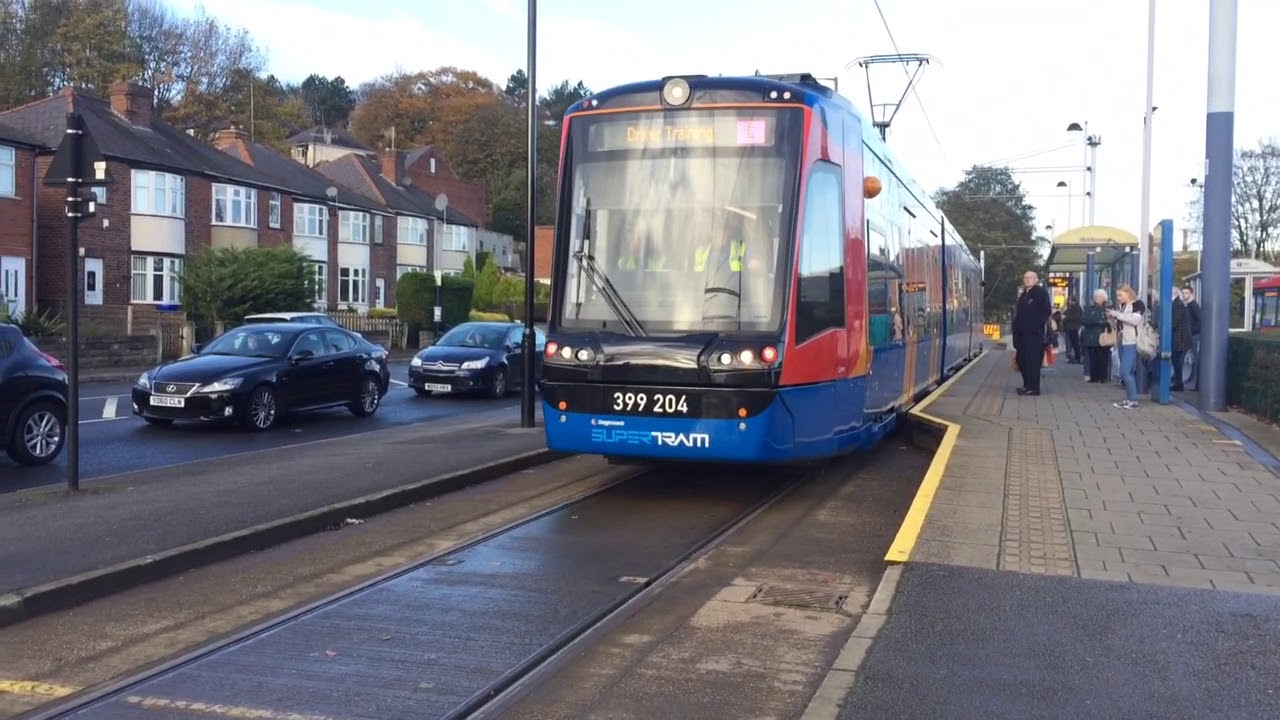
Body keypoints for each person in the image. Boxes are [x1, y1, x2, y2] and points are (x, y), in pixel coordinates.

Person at [1012, 270, 1052, 395]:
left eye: (1030, 278)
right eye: (1025, 278)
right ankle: (1027, 384)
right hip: (1021, 335)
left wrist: (1036, 326)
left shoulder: (1041, 293)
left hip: (1034, 335)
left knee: (1032, 362)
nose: (1027, 280)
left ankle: (1033, 388)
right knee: (1021, 359)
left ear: (1036, 280)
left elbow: (1046, 311)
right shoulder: (1023, 294)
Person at [1107, 284, 1146, 409]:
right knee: (1128, 372)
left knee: (1124, 371)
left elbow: (1135, 320)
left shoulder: (1138, 304)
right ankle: (1129, 398)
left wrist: (1117, 315)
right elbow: (1119, 324)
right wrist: (1111, 319)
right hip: (1122, 340)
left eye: (1120, 295)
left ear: (1128, 293)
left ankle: (1133, 400)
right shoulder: (1122, 306)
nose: (1119, 298)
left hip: (1132, 341)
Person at [1081, 289, 1112, 383]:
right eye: (1096, 296)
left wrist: (1103, 323)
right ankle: (1094, 376)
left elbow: (1110, 322)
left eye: (1099, 297)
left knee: (1103, 357)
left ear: (1104, 298)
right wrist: (1098, 322)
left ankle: (1103, 376)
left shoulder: (1107, 309)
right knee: (1093, 357)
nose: (1096, 298)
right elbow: (1085, 320)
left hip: (1103, 336)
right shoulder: (1090, 309)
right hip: (1092, 336)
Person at [1170, 287, 1193, 392]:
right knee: (1176, 361)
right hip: (1179, 338)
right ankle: (1177, 383)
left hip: (1179, 339)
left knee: (1177, 362)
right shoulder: (1178, 304)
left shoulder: (1177, 304)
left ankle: (1178, 384)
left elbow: (1175, 322)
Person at [1063, 297, 1083, 363]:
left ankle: (1077, 357)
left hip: (1073, 328)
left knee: (1075, 343)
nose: (1069, 302)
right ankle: (1074, 357)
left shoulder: (1076, 308)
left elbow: (1075, 317)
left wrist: (1066, 318)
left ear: (1073, 301)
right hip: (1071, 327)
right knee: (1073, 343)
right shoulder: (1071, 307)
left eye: (1070, 300)